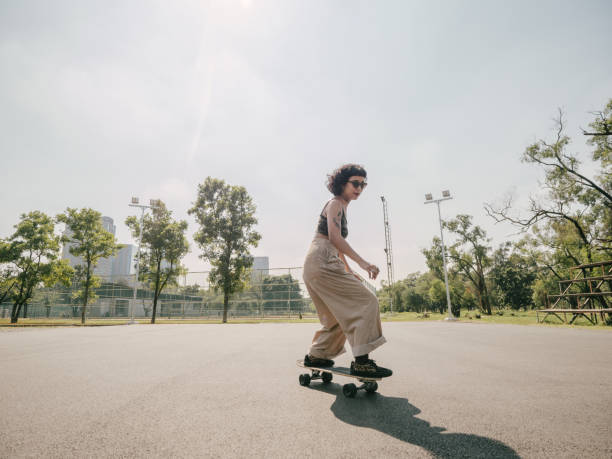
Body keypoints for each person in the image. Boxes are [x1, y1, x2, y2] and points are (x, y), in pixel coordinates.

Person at [302, 164, 392, 378]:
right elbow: (335, 238)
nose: (359, 188)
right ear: (342, 183)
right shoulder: (336, 204)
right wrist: (364, 263)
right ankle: (362, 361)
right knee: (367, 301)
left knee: (337, 315)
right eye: (355, 183)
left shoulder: (342, 206)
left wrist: (348, 270)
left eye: (363, 184)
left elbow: (336, 244)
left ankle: (317, 355)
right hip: (323, 260)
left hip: (317, 262)